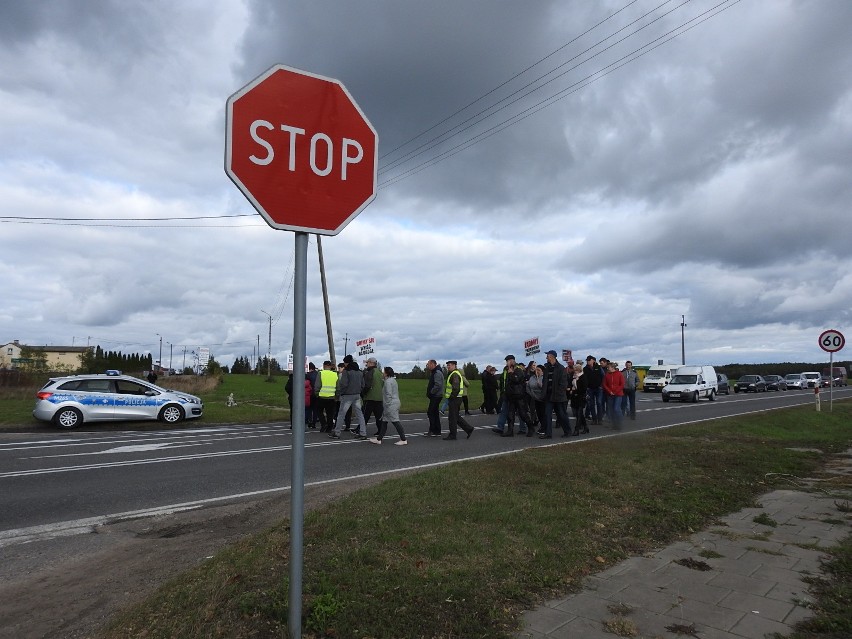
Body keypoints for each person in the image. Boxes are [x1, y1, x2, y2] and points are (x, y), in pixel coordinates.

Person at [330, 354, 367, 439]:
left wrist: (341, 393)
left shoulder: (346, 372)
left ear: (346, 363)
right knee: (359, 414)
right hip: (357, 395)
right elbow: (363, 384)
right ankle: (363, 433)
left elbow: (343, 384)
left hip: (347, 395)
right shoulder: (359, 372)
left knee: (341, 414)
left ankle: (337, 432)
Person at [369, 367, 407, 445]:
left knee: (395, 421)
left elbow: (389, 394)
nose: (382, 373)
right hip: (393, 403)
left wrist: (387, 405)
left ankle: (403, 439)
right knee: (384, 421)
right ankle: (379, 439)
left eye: (383, 372)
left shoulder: (388, 382)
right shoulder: (392, 380)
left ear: (386, 373)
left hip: (391, 404)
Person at [501, 355, 533, 437]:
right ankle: (510, 431)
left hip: (519, 396)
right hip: (511, 396)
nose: (507, 363)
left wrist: (511, 373)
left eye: (508, 361)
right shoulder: (508, 371)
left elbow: (516, 380)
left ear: (512, 361)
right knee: (510, 415)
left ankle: (531, 427)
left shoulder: (519, 370)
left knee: (523, 414)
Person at [542, 350, 571, 438]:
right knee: (547, 414)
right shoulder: (546, 368)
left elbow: (563, 383)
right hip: (549, 395)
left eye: (547, 356)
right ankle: (548, 433)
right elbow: (545, 381)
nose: (546, 357)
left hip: (558, 396)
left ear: (552, 356)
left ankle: (567, 431)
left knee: (561, 415)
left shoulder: (561, 368)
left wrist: (558, 392)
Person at [443, 360, 474, 440]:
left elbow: (455, 388)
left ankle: (453, 435)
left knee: (452, 418)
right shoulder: (453, 374)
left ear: (454, 366)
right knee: (456, 416)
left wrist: (451, 397)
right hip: (456, 398)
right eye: (448, 365)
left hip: (455, 399)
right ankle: (469, 429)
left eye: (449, 365)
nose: (448, 367)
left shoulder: (455, 374)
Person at [361, 357, 384, 436]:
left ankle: (360, 430)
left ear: (371, 363)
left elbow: (367, 385)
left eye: (367, 363)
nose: (366, 364)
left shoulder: (370, 372)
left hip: (370, 397)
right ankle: (381, 431)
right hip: (379, 397)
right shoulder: (379, 372)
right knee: (379, 416)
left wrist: (363, 393)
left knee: (365, 415)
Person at [314, 361, 338, 432]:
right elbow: (338, 387)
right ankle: (329, 428)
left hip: (321, 397)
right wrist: (337, 396)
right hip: (331, 397)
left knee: (319, 411)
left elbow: (317, 385)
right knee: (330, 414)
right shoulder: (335, 374)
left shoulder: (320, 373)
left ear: (324, 366)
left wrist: (317, 394)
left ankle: (323, 424)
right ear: (330, 366)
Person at [603, 361, 625, 430]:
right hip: (610, 395)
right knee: (611, 410)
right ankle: (614, 424)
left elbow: (622, 384)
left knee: (616, 408)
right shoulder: (607, 375)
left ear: (612, 367)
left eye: (608, 367)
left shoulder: (619, 374)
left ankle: (619, 423)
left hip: (618, 394)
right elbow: (604, 384)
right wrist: (610, 391)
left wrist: (615, 391)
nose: (607, 368)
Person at [424, 359, 444, 436]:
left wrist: (431, 392)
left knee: (430, 412)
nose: (427, 366)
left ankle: (432, 430)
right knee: (435, 413)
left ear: (432, 364)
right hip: (436, 396)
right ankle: (437, 430)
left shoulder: (437, 372)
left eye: (428, 364)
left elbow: (438, 385)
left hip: (436, 396)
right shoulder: (435, 372)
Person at [526, 364, 546, 436]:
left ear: (542, 371)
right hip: (535, 398)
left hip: (543, 399)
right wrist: (532, 394)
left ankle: (544, 427)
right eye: (536, 370)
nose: (537, 371)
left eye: (539, 370)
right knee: (538, 413)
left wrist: (541, 386)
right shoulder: (532, 377)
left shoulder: (544, 378)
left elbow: (545, 388)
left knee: (543, 413)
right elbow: (528, 387)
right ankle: (542, 426)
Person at [569, 362, 589, 434]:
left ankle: (576, 429)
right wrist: (570, 389)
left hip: (581, 396)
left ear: (579, 370)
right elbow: (571, 385)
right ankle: (586, 427)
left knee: (579, 412)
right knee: (578, 414)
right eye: (574, 370)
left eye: (576, 370)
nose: (574, 371)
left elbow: (584, 388)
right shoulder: (573, 377)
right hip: (574, 397)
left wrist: (575, 391)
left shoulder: (583, 377)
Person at [584, 356, 603, 425]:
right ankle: (594, 419)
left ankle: (600, 419)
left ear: (593, 361)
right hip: (590, 389)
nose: (588, 361)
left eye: (589, 360)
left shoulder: (598, 367)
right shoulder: (585, 369)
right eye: (587, 360)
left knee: (599, 403)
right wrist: (586, 387)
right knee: (591, 404)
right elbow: (584, 379)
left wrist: (601, 386)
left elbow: (603, 376)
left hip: (598, 388)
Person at [305, 362, 319, 428]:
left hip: (310, 393)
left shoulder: (308, 375)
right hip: (317, 393)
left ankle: (310, 421)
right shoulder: (318, 374)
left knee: (309, 409)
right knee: (315, 409)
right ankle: (314, 422)